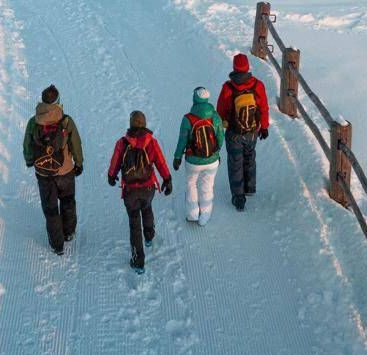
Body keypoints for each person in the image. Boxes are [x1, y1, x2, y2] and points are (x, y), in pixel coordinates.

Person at [107, 110, 172, 273]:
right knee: (147, 208)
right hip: (148, 188)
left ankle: (138, 261)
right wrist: (167, 179)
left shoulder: (122, 143)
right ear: (144, 124)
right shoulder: (151, 142)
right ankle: (149, 236)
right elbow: (160, 162)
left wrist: (111, 176)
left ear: (130, 124)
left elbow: (115, 162)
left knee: (134, 223)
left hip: (130, 191)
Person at [22, 84, 83, 255]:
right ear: (58, 102)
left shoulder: (33, 122)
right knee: (68, 201)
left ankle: (57, 245)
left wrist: (30, 161)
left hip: (43, 173)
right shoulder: (66, 121)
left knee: (50, 208)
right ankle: (68, 232)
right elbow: (76, 143)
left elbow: (27, 145)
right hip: (65, 171)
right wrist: (78, 163)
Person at [217, 53, 269, 211]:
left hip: (234, 132)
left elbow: (221, 110)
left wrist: (223, 123)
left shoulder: (228, 87)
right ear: (247, 67)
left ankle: (238, 198)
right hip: (252, 131)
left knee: (235, 163)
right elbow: (264, 107)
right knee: (250, 157)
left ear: (234, 67)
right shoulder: (257, 85)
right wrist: (264, 127)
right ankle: (249, 187)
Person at [172, 86, 225, 226]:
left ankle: (192, 214)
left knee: (191, 185)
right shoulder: (215, 117)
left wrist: (177, 157)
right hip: (212, 160)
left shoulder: (187, 119)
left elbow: (182, 140)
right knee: (207, 186)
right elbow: (220, 137)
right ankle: (205, 216)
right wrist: (216, 152)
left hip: (193, 161)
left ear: (194, 98)